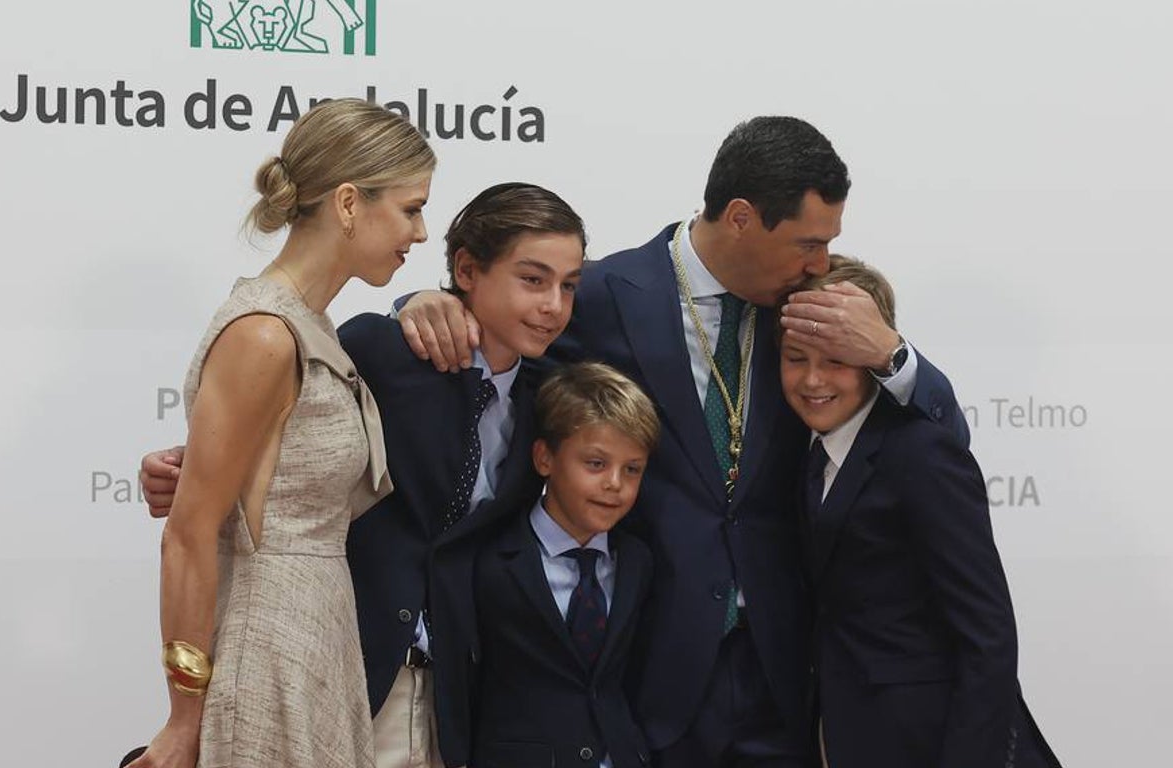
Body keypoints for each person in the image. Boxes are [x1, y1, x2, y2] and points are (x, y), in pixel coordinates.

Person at [396, 116, 969, 766]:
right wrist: (418, 304)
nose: (820, 262)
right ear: (743, 219)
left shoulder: (811, 310)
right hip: (643, 671)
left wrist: (892, 354)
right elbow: (498, 349)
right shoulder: (600, 294)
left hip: (785, 677)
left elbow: (942, 447)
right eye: (808, 243)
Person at [139, 182, 586, 768]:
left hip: (460, 698)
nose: (554, 304)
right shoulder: (380, 348)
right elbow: (292, 440)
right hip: (343, 664)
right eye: (533, 280)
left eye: (569, 286)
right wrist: (188, 466)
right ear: (468, 270)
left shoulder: (552, 397)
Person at [128, 98, 435, 768]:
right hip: (266, 649)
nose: (421, 232)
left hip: (316, 637)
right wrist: (184, 720)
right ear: (349, 203)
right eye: (411, 208)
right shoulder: (265, 333)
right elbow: (188, 533)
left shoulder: (309, 324)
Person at [779, 255, 1061, 768]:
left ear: (870, 356)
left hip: (935, 741)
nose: (813, 379)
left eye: (836, 360)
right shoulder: (804, 453)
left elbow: (988, 636)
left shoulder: (920, 453)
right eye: (796, 358)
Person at [464, 362, 659, 768]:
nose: (614, 485)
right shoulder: (490, 560)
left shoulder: (638, 561)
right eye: (595, 464)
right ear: (545, 458)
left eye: (632, 469)